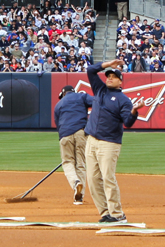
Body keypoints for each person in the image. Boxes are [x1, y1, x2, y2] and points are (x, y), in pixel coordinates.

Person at [83, 60, 146, 223]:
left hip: (109, 143)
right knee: (92, 179)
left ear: (120, 81)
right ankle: (105, 212)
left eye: (113, 77)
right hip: (91, 140)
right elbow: (90, 70)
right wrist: (109, 64)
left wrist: (133, 111)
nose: (109, 78)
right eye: (108, 76)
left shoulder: (123, 100)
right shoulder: (100, 89)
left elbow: (128, 122)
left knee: (108, 178)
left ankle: (117, 214)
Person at [54, 85, 93, 205]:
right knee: (80, 163)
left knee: (68, 162)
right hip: (81, 132)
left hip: (65, 134)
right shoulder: (82, 96)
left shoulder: (59, 105)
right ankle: (79, 198)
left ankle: (75, 183)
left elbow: (58, 124)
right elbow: (96, 103)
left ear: (63, 93)